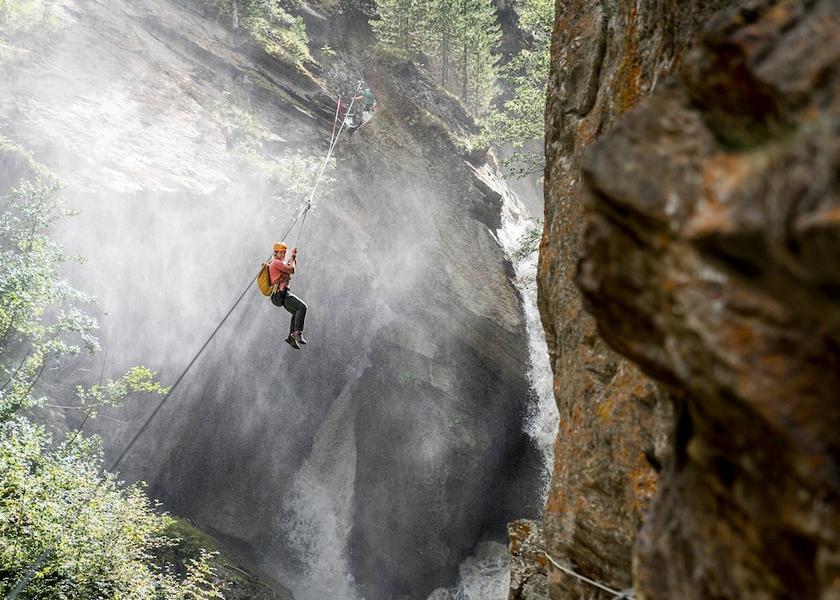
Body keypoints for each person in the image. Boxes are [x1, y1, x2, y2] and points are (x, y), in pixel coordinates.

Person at [268, 242, 308, 349]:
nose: (283, 254)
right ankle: (297, 333)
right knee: (302, 307)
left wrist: (293, 258)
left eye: (284, 252)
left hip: (280, 295)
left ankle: (291, 338)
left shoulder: (278, 263)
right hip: (281, 294)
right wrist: (292, 260)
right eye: (281, 252)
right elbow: (292, 270)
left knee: (296, 312)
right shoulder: (276, 263)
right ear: (276, 253)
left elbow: (290, 267)